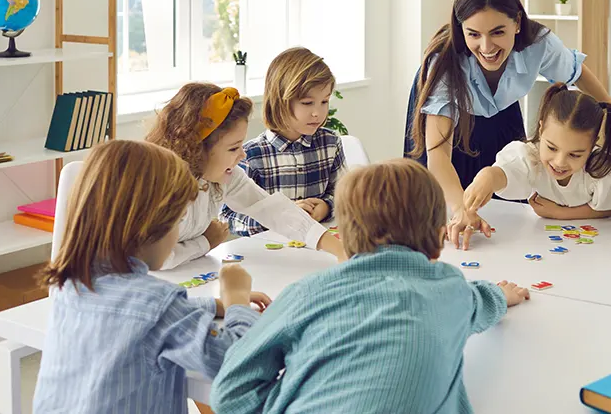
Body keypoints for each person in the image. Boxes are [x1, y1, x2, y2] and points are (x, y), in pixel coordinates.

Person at [210, 159, 530, 413]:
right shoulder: (450, 290)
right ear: (438, 238)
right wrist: (501, 294)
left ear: (344, 240)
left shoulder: (305, 293)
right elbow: (481, 302)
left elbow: (231, 394)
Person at [406, 0, 611, 249]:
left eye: (498, 32)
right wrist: (461, 208)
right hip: (452, 123)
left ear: (517, 23)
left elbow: (577, 74)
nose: (486, 47)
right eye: (474, 34)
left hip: (502, 109)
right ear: (461, 29)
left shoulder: (538, 43)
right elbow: (437, 156)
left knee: (508, 196)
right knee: (446, 208)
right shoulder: (444, 64)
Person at [32, 140, 269, 414]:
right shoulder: (160, 304)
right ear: (152, 225)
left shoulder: (71, 282)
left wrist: (214, 304)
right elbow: (239, 359)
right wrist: (238, 300)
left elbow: (134, 316)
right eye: (178, 222)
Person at [146, 83, 345, 269]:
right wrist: (206, 241)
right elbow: (156, 259)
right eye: (233, 148)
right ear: (196, 149)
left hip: (189, 273)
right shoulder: (161, 188)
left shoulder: (226, 176)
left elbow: (274, 210)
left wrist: (339, 250)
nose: (242, 155)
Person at [464, 83, 611, 228]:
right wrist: (488, 176)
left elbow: (608, 208)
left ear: (592, 145)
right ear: (541, 128)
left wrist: (560, 214)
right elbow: (506, 172)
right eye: (552, 148)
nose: (559, 162)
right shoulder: (531, 156)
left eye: (575, 155)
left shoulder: (598, 167)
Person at [220, 47, 346, 235]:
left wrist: (327, 207)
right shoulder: (251, 155)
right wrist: (278, 217)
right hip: (271, 256)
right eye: (307, 103)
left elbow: (345, 196)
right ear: (280, 100)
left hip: (319, 247)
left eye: (324, 101)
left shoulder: (330, 143)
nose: (317, 112)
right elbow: (228, 217)